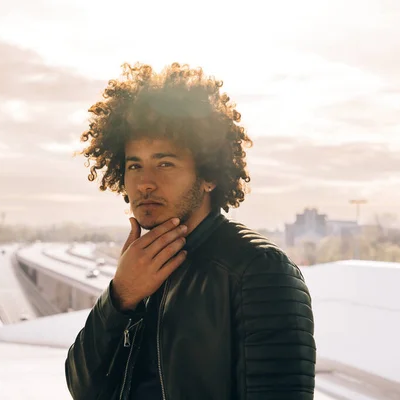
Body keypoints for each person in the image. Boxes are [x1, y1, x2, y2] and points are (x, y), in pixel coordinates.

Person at [65, 62, 316, 399]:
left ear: (209, 174)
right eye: (134, 165)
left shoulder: (259, 270)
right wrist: (119, 297)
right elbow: (83, 389)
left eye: (165, 163)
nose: (145, 183)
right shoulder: (140, 269)